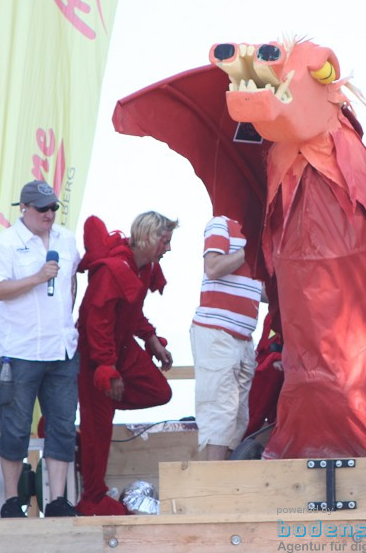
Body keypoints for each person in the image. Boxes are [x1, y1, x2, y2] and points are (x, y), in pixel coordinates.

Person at [0, 180, 80, 518]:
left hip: (62, 351)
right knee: (15, 426)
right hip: (22, 351)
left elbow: (71, 282)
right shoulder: (5, 244)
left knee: (63, 426)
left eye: (53, 207)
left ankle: (58, 500)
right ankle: (12, 500)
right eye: (42, 208)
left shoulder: (67, 240)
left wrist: (67, 322)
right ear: (24, 208)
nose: (50, 214)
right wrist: (36, 278)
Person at [75, 212, 176, 516]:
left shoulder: (144, 268)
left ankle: (92, 421)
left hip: (121, 347)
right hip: (97, 354)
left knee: (160, 391)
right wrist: (107, 369)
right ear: (146, 238)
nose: (168, 249)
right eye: (165, 241)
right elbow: (97, 323)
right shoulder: (111, 270)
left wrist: (151, 338)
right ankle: (92, 500)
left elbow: (132, 312)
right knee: (99, 428)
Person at [190, 215, 263, 460]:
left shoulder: (258, 230)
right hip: (217, 332)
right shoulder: (221, 222)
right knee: (219, 414)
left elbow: (257, 288)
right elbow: (213, 268)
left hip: (243, 338)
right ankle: (216, 485)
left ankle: (224, 480)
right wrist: (251, 248)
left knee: (238, 418)